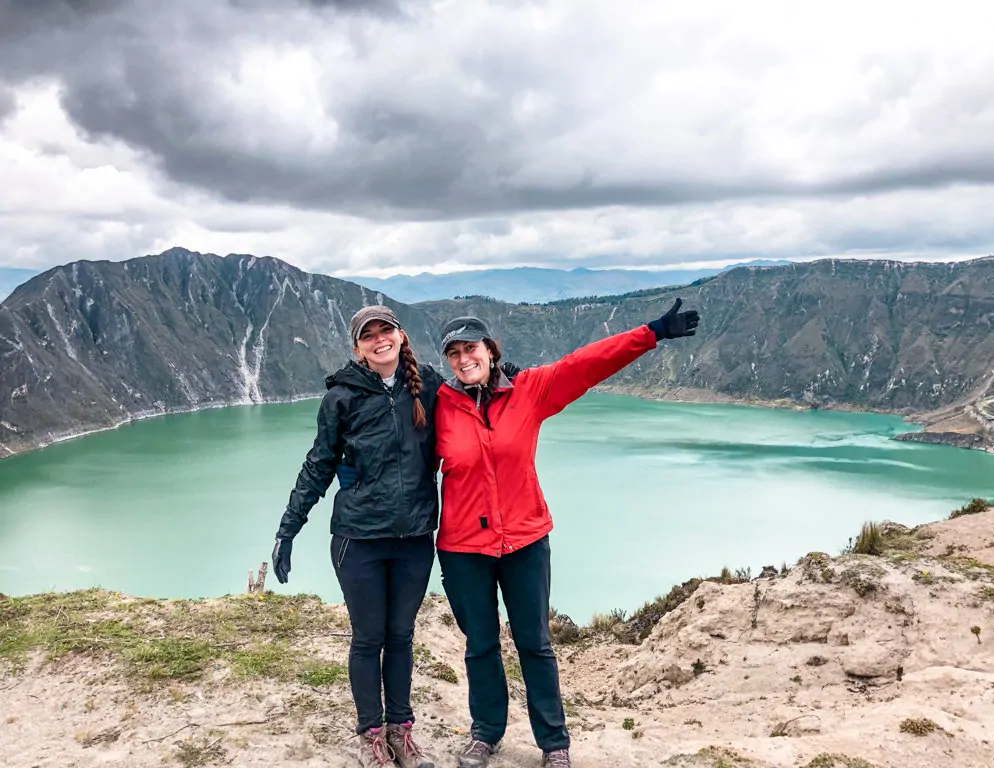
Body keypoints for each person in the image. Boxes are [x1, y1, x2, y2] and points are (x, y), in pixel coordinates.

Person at [433, 299, 700, 768]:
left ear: (490, 350)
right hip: (462, 548)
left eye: (470, 348)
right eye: (453, 352)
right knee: (480, 644)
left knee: (535, 643)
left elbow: (587, 364)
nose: (462, 359)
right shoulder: (439, 404)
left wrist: (653, 331)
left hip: (525, 540)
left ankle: (553, 743)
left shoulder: (530, 390)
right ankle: (486, 733)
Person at [271, 305, 442, 768]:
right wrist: (289, 529)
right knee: (369, 637)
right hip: (359, 539)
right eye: (369, 335)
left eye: (386, 330)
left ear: (401, 336)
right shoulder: (341, 399)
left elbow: (474, 405)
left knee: (402, 635)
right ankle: (371, 734)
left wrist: (505, 371)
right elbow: (318, 466)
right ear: (358, 348)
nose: (380, 339)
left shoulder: (428, 385)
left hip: (413, 538)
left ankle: (400, 731)